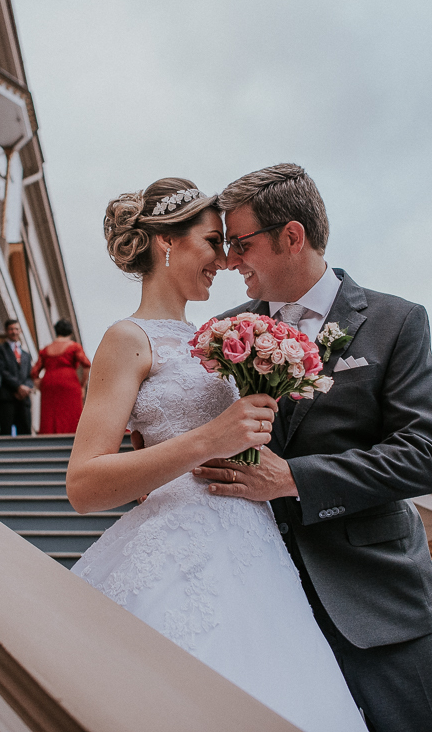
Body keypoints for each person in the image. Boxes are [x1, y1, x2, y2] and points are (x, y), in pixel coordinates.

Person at [66, 178, 367, 732]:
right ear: (167, 243)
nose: (226, 259)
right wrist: (210, 439)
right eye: (212, 242)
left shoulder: (216, 335)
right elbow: (84, 484)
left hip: (256, 550)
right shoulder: (127, 338)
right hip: (180, 546)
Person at [192, 163, 432, 732]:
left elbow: (423, 453)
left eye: (241, 244)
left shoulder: (396, 322)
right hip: (263, 602)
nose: (229, 262)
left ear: (292, 236)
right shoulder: (224, 332)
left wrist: (294, 479)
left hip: (378, 598)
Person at [31, 319, 91, 434]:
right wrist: (82, 385)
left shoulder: (45, 349)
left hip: (49, 382)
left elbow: (34, 372)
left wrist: (39, 385)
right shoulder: (74, 347)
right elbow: (87, 365)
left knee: (50, 414)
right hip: (69, 382)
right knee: (71, 413)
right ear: (70, 332)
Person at [0, 319, 34, 435]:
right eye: (11, 329)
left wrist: (25, 388)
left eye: (16, 329)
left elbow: (30, 375)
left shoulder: (26, 355)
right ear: (6, 331)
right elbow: (1, 371)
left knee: (25, 432)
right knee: (5, 432)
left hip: (24, 399)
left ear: (20, 331)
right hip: (6, 398)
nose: (14, 332)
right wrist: (18, 387)